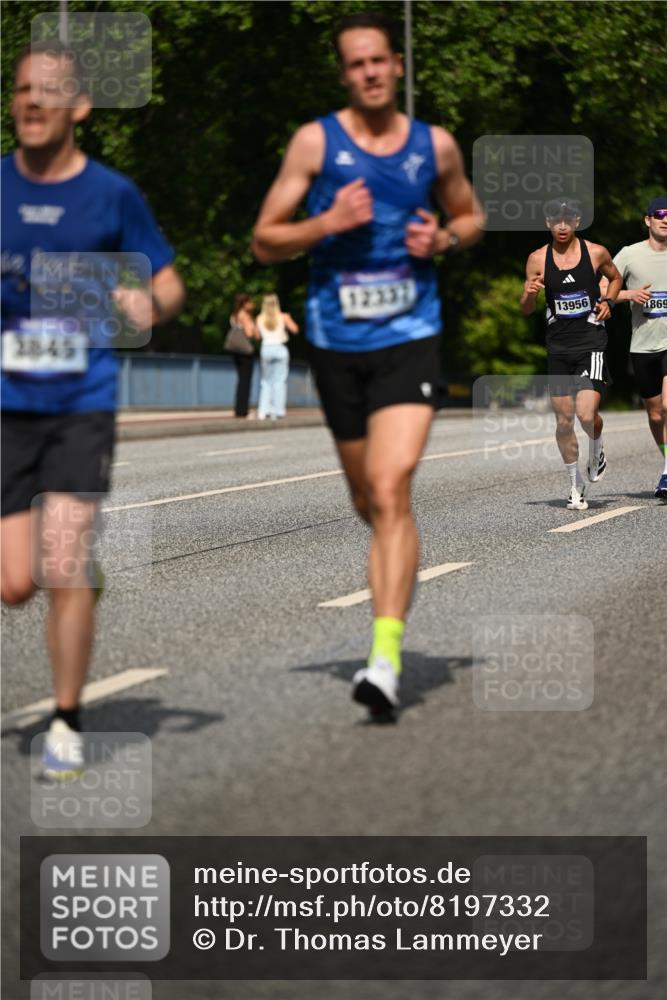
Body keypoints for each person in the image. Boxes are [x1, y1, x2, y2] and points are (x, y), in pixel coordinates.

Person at [252, 12, 483, 716]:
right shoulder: (314, 142)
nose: (369, 73)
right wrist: (326, 223)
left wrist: (441, 237)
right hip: (334, 342)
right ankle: (387, 623)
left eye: (378, 61)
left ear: (396, 66)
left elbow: (471, 218)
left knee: (390, 488)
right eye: (355, 65)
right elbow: (265, 239)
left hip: (410, 336)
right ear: (344, 74)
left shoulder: (432, 146)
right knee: (364, 499)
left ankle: (383, 659)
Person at [1, 42, 184, 777]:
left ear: (78, 107)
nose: (32, 102)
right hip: (6, 406)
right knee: (15, 583)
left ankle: (67, 722)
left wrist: (146, 301)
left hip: (81, 403)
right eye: (21, 90)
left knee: (64, 560)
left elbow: (168, 286)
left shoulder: (111, 194)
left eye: (49, 92)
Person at [520, 200, 621, 510]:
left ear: (577, 220)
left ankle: (597, 447)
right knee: (564, 422)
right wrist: (529, 294)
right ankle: (574, 486)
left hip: (591, 344)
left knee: (587, 415)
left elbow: (615, 278)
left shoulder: (596, 252)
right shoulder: (537, 259)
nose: (562, 225)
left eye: (567, 219)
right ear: (548, 222)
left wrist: (610, 302)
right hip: (558, 350)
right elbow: (526, 309)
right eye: (555, 220)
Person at [599, 197, 667, 499]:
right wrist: (628, 295)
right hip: (643, 346)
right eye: (659, 214)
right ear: (648, 220)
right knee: (655, 416)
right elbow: (602, 288)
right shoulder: (630, 254)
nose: (665, 219)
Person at [256, 293, 299, 420]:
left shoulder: (259, 318)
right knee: (279, 381)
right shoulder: (283, 317)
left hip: (266, 348)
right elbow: (295, 330)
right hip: (280, 348)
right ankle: (278, 410)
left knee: (266, 381)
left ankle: (263, 411)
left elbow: (257, 336)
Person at [226, 293, 258, 418]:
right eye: (250, 302)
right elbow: (250, 333)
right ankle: (243, 410)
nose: (252, 305)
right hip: (245, 351)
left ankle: (239, 409)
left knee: (241, 380)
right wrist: (255, 328)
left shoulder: (234, 315)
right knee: (246, 381)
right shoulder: (244, 315)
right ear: (245, 304)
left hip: (235, 350)